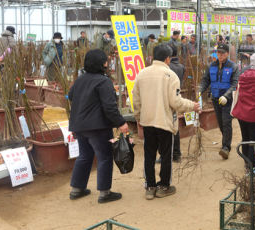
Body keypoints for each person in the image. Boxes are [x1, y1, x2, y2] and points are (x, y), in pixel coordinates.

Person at [133, 44, 200, 200]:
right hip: (164, 122)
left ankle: (150, 187)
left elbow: (136, 100)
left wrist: (138, 118)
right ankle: (164, 186)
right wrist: (192, 105)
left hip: (147, 122)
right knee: (166, 155)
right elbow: (176, 102)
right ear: (168, 58)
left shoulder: (141, 74)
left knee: (149, 155)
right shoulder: (170, 76)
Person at [68, 49, 129, 203]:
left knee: (84, 156)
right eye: (105, 60)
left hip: (79, 125)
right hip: (98, 127)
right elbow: (109, 107)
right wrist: (121, 122)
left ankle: (77, 189)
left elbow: (70, 96)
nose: (107, 63)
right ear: (102, 63)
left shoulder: (80, 79)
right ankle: (104, 192)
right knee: (105, 157)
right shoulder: (104, 81)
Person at [199, 44, 239, 159]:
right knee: (221, 123)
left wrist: (226, 96)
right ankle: (225, 141)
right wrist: (200, 90)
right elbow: (205, 80)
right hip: (216, 99)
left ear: (227, 54)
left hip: (227, 100)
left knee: (226, 122)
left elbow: (235, 84)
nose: (220, 55)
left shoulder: (233, 67)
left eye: (222, 53)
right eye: (218, 53)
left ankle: (226, 147)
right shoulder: (211, 66)